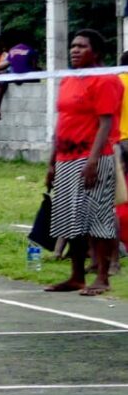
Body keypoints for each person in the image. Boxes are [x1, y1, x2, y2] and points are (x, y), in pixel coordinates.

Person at [45, 28, 124, 296]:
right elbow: (61, 122)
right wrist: (52, 161)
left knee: (97, 217)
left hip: (94, 157)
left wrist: (92, 161)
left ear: (97, 52)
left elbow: (106, 123)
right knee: (69, 219)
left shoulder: (105, 80)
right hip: (66, 157)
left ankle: (102, 277)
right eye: (73, 46)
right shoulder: (69, 79)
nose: (74, 50)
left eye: (82, 46)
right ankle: (76, 276)